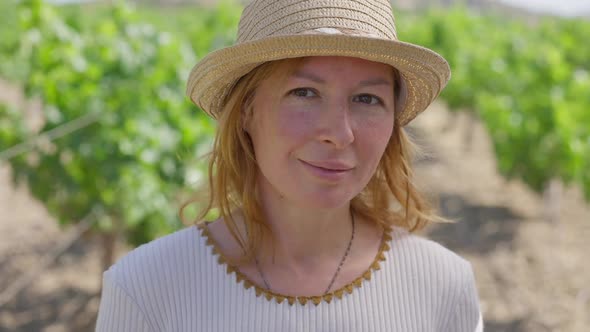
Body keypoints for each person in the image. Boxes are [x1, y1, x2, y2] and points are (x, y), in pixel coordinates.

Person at [95, 0, 483, 331]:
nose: (339, 133)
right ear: (246, 111)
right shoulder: (145, 290)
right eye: (304, 93)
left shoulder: (445, 287)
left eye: (367, 99)